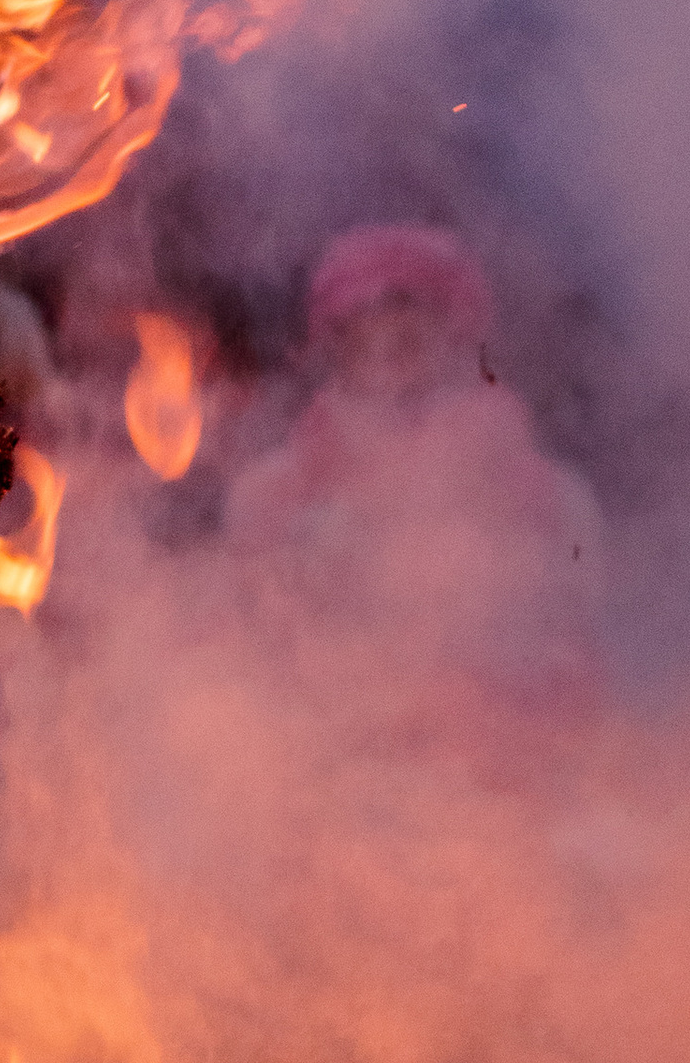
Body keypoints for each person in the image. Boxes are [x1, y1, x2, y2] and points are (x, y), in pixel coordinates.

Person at [225, 223, 605, 711]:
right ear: (333, 350)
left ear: (457, 340)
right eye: (360, 343)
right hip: (332, 751)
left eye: (407, 341)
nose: (384, 364)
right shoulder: (272, 490)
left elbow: (571, 648)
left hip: (495, 754)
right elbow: (249, 657)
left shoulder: (545, 493)